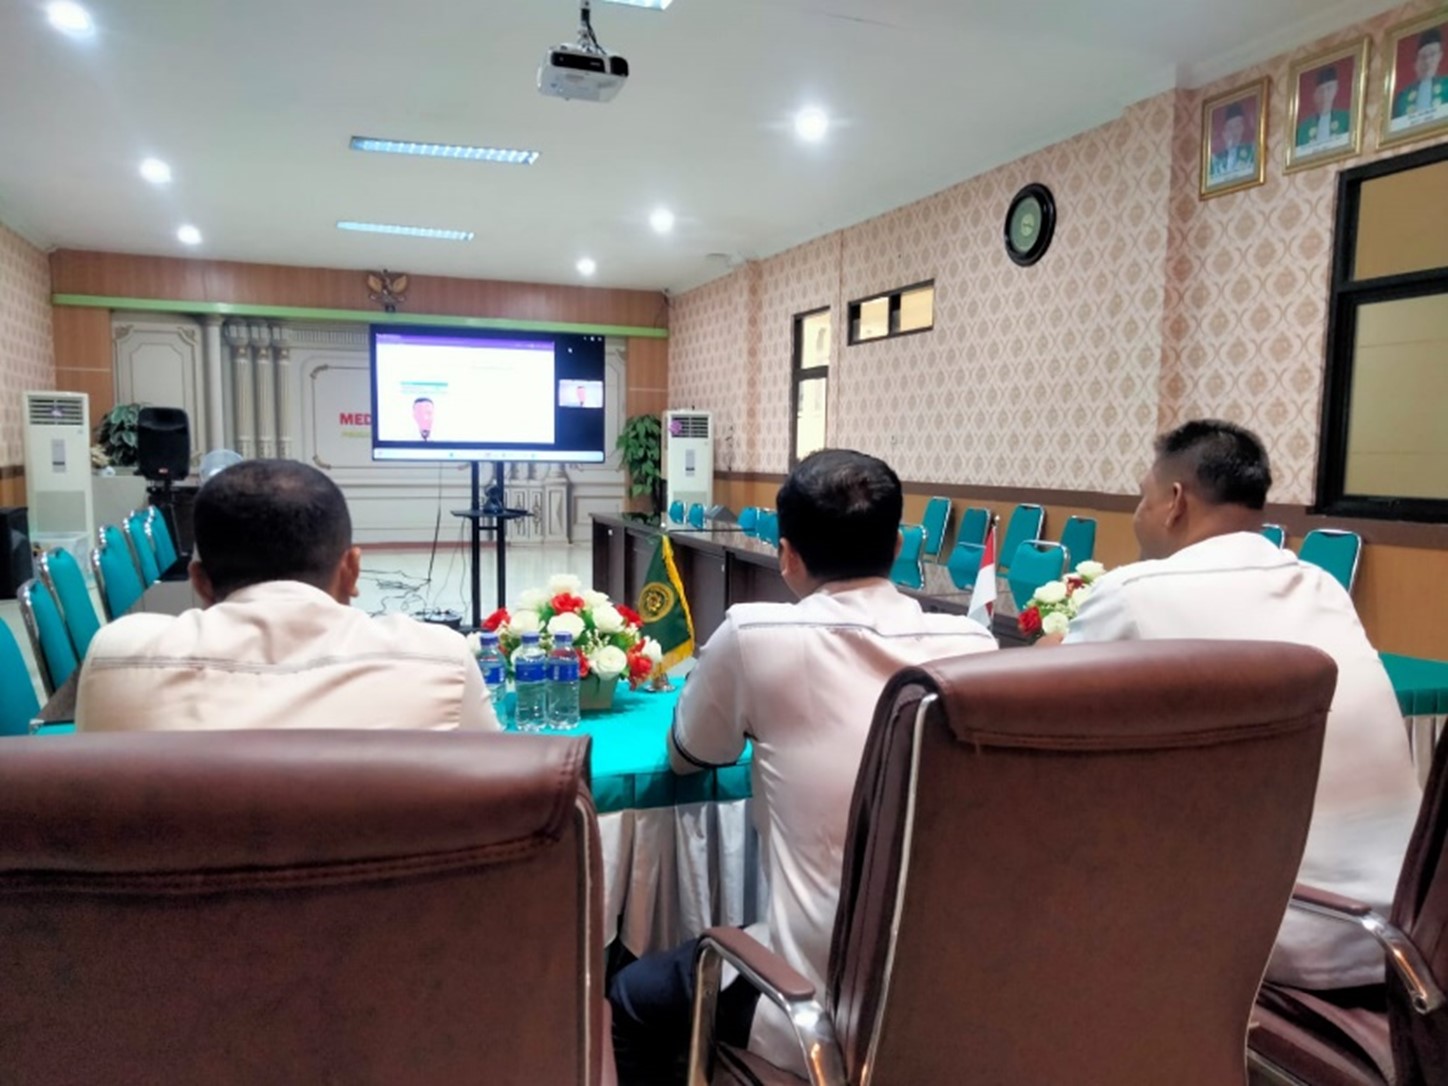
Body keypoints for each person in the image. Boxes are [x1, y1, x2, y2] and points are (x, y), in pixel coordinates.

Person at [607, 449, 998, 1084]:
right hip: (949, 993)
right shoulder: (976, 647)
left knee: (633, 996)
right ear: (899, 546)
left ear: (786, 555)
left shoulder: (755, 635)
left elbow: (691, 754)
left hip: (812, 1001)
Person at [1057, 420, 1420, 991]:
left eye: (1142, 497)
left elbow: (1045, 720)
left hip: (1286, 929)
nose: (1138, 514)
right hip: (1409, 923)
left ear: (1175, 501)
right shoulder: (1322, 585)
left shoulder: (1136, 593)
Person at [77, 459, 498, 732]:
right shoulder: (440, 658)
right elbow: (499, 791)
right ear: (352, 570)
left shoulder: (116, 657)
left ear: (200, 582)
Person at [1393, 27, 1446, 120]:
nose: (1427, 61)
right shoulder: (1402, 98)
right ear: (1415, 62)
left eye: (1432, 54)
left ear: (1439, 56)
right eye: (1423, 56)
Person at [1296, 66, 1351, 149]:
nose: (1325, 95)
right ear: (1314, 95)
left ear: (1335, 89)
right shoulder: (1302, 129)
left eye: (1329, 88)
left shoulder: (1347, 118)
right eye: (1320, 91)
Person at [1210, 103, 1256, 181]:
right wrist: (1229, 149)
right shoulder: (1215, 159)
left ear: (1242, 128)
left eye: (1237, 126)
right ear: (1224, 132)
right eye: (1230, 127)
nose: (1234, 132)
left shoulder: (1252, 150)